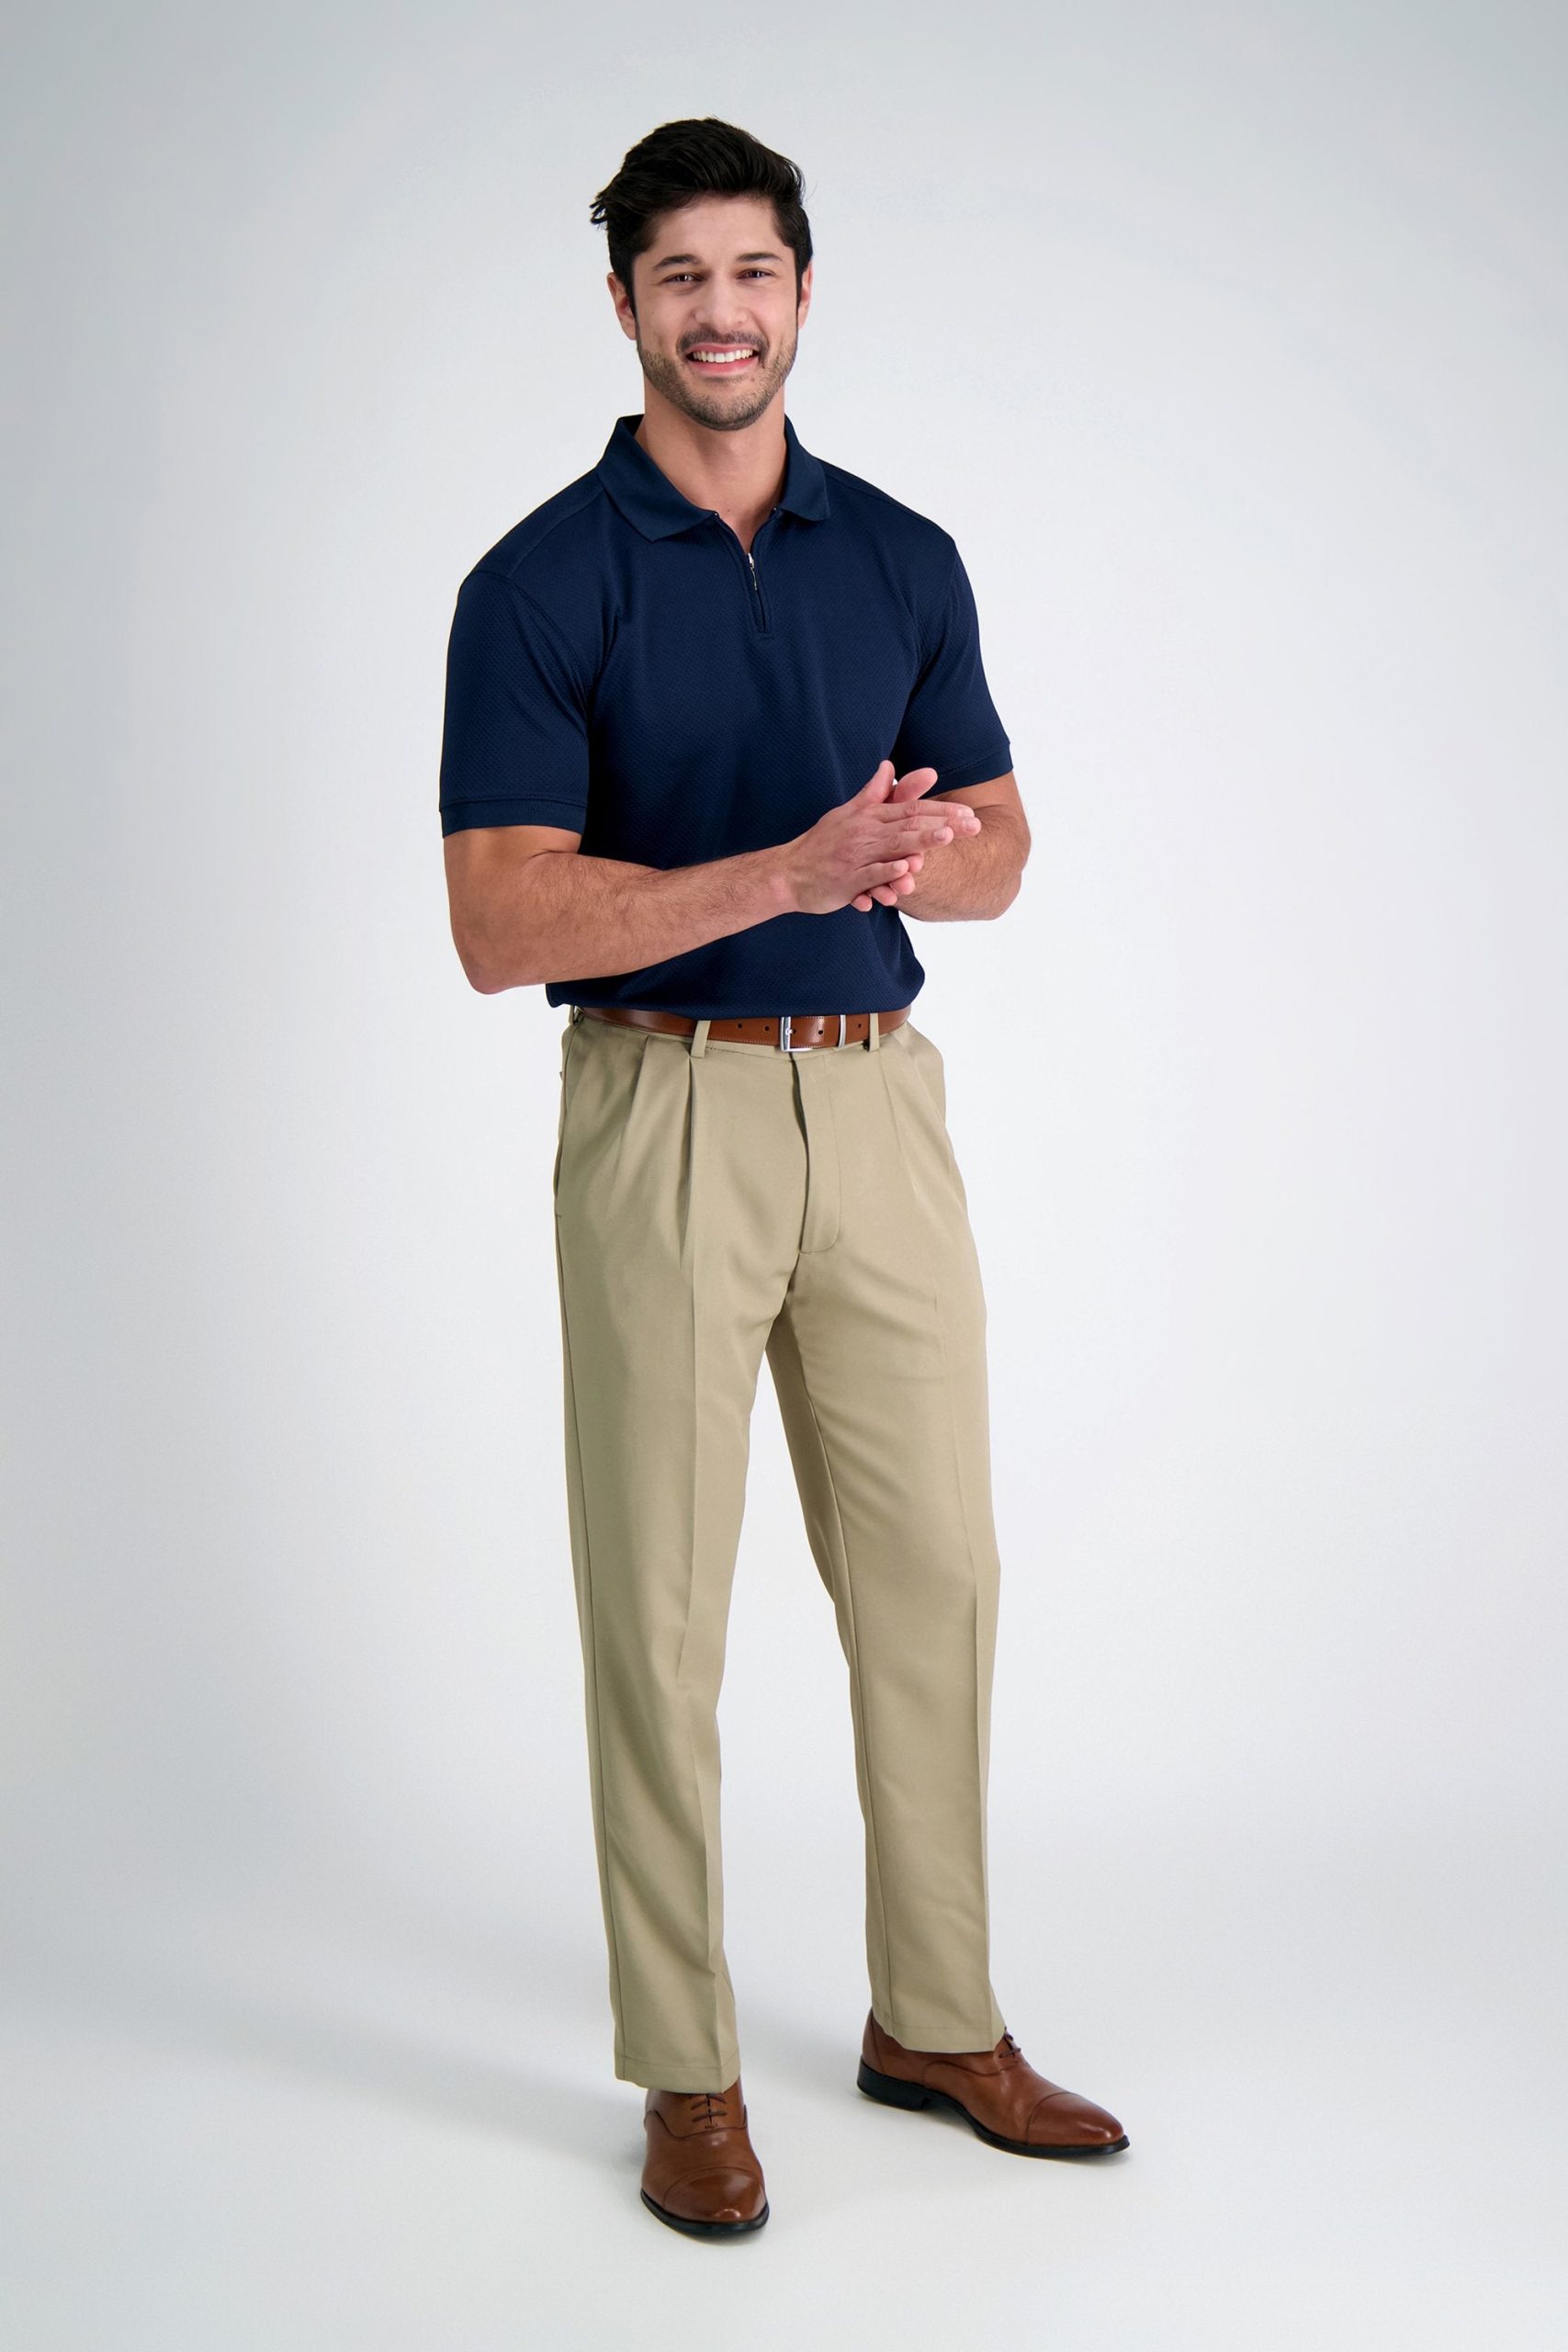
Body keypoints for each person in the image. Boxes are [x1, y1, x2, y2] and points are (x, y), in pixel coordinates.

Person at [437, 116, 1128, 2237]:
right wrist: (784, 869)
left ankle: (935, 2014)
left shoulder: (900, 555)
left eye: (752, 272)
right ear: (623, 305)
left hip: (877, 1105)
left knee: (937, 1575)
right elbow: (499, 921)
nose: (720, 312)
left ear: (802, 294)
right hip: (663, 1109)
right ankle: (686, 2064)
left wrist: (917, 859)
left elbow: (1003, 850)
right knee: (657, 1611)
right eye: (680, 277)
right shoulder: (538, 580)